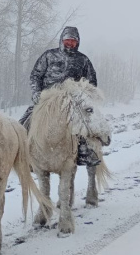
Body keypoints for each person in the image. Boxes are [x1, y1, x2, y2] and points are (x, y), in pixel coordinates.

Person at [20, 26, 100, 166]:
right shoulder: (49, 56)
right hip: (47, 99)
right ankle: (22, 150)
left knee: (83, 123)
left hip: (72, 101)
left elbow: (92, 82)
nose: (70, 44)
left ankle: (84, 151)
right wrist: (36, 93)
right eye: (67, 41)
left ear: (78, 42)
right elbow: (35, 76)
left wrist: (83, 95)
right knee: (25, 120)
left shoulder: (83, 60)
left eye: (73, 41)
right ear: (62, 41)